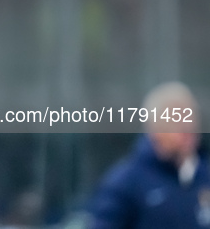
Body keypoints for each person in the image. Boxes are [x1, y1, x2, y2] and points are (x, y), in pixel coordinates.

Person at [88, 82, 210, 228]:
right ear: (154, 126)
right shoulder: (126, 182)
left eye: (191, 115)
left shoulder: (204, 175)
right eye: (175, 117)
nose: (187, 125)